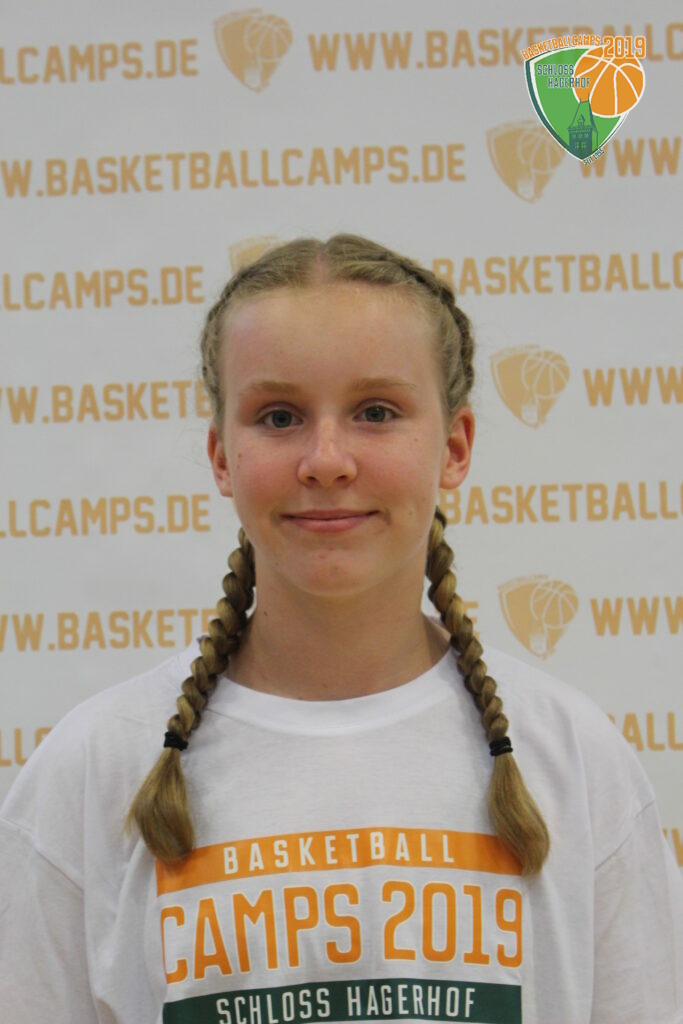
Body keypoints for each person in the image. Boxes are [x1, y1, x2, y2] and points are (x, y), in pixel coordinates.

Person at [0, 234, 681, 1024]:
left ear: (454, 447)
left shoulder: (574, 761)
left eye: (375, 413)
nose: (325, 460)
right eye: (278, 416)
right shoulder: (92, 771)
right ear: (221, 457)